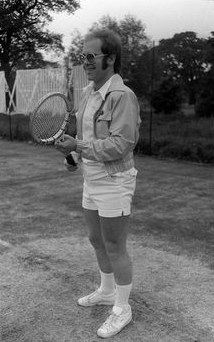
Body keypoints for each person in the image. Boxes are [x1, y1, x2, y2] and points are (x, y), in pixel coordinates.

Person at [55, 29, 141, 339]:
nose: (86, 62)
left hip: (114, 180)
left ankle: (122, 308)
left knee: (116, 245)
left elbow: (121, 144)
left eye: (91, 56)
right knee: (96, 238)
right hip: (91, 179)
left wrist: (77, 146)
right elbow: (88, 138)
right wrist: (72, 156)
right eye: (83, 57)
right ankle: (106, 291)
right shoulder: (90, 93)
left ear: (111, 58)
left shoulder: (122, 96)